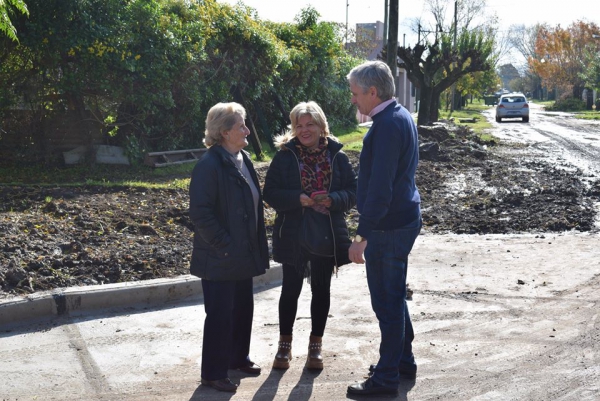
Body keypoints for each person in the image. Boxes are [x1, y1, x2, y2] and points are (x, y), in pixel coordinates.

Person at [345, 61, 422, 397]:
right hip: (401, 219)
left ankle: (386, 378)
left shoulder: (388, 125)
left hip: (389, 227)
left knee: (387, 304)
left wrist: (362, 236)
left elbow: (380, 190)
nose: (353, 100)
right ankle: (402, 361)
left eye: (356, 93)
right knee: (393, 297)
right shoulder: (398, 116)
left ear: (373, 92)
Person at [263, 101, 357, 371]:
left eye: (310, 124)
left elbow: (353, 191)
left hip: (326, 233)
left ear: (321, 126)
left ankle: (315, 346)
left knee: (321, 290)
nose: (304, 130)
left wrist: (333, 199)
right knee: (290, 290)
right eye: (298, 125)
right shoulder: (285, 156)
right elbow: (270, 192)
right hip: (294, 232)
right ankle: (284, 345)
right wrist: (299, 199)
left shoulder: (337, 157)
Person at [189, 102, 270, 393]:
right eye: (241, 126)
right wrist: (225, 244)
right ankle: (213, 372)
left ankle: (237, 358)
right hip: (221, 255)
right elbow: (200, 213)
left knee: (242, 309)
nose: (247, 130)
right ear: (224, 132)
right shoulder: (209, 165)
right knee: (221, 315)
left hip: (241, 252)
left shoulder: (242, 158)